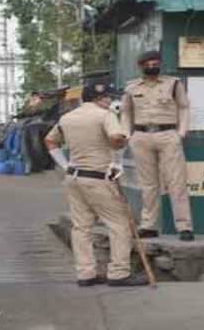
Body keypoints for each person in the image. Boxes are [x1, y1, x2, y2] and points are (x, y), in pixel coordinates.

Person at [45, 78, 147, 287]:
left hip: (73, 176)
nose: (110, 100)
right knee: (118, 224)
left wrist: (65, 165)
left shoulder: (68, 118)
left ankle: (86, 273)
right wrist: (123, 139)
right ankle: (119, 273)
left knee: (81, 227)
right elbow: (116, 139)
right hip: (98, 177)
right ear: (102, 98)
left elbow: (50, 141)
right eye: (108, 97)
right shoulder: (106, 115)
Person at [120, 50, 194, 241]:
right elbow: (126, 112)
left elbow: (184, 107)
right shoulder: (131, 87)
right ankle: (148, 225)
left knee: (176, 181)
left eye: (155, 63)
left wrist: (181, 133)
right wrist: (128, 134)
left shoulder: (173, 84)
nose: (152, 66)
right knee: (148, 184)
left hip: (167, 134)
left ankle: (184, 226)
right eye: (148, 63)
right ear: (141, 66)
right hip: (141, 135)